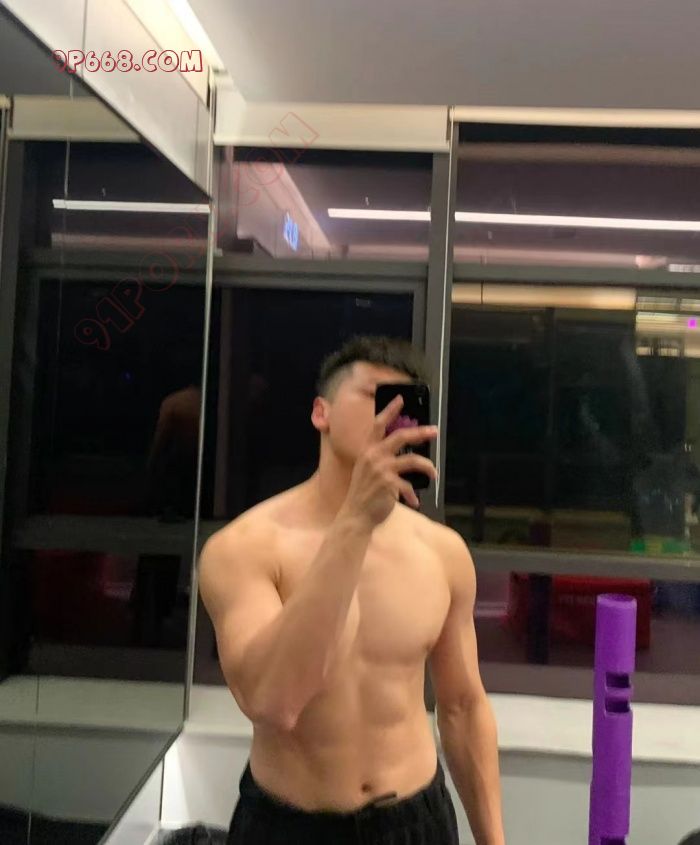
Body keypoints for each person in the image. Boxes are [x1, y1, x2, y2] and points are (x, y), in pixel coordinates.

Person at [198, 335, 505, 845]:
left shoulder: (442, 553)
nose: (392, 417)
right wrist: (355, 523)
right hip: (290, 827)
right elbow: (273, 702)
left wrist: (493, 841)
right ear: (321, 413)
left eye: (407, 405)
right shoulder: (244, 548)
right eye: (376, 397)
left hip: (415, 820)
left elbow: (462, 707)